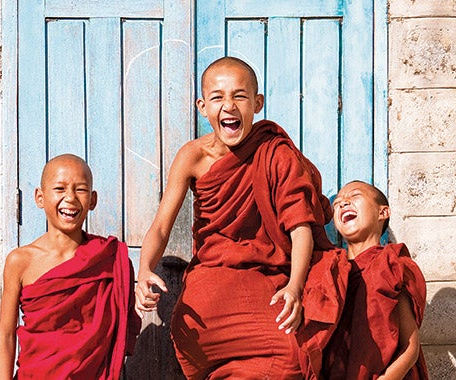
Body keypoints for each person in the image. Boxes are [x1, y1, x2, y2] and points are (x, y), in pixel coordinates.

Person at [135, 56, 349, 379]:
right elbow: (162, 226)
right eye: (218, 97)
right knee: (188, 334)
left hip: (265, 276)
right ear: (202, 106)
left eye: (239, 96)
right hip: (213, 275)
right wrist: (144, 269)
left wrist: (294, 286)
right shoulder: (192, 156)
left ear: (257, 103)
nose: (229, 106)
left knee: (294, 356)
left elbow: (300, 226)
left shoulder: (275, 153)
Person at [0, 154, 141, 380]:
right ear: (39, 197)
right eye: (60, 189)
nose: (70, 198)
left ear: (93, 200)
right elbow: (5, 333)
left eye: (80, 190)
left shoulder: (109, 259)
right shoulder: (20, 261)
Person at [323, 180, 429, 379]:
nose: (344, 203)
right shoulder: (330, 271)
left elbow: (410, 346)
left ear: (383, 213)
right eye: (338, 203)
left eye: (354, 196)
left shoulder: (390, 264)